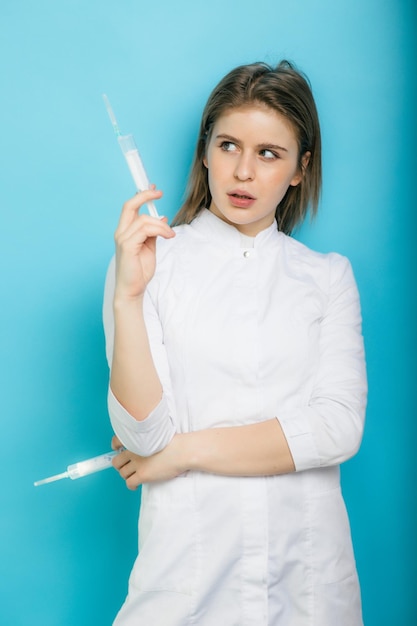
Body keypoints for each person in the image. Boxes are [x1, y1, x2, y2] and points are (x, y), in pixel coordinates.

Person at [103, 60, 367, 626]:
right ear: (205, 152)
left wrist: (182, 453)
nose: (243, 171)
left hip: (309, 588)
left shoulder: (327, 277)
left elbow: (337, 428)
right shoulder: (149, 266)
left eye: (269, 153)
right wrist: (128, 299)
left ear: (301, 168)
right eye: (228, 146)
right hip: (188, 584)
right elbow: (143, 437)